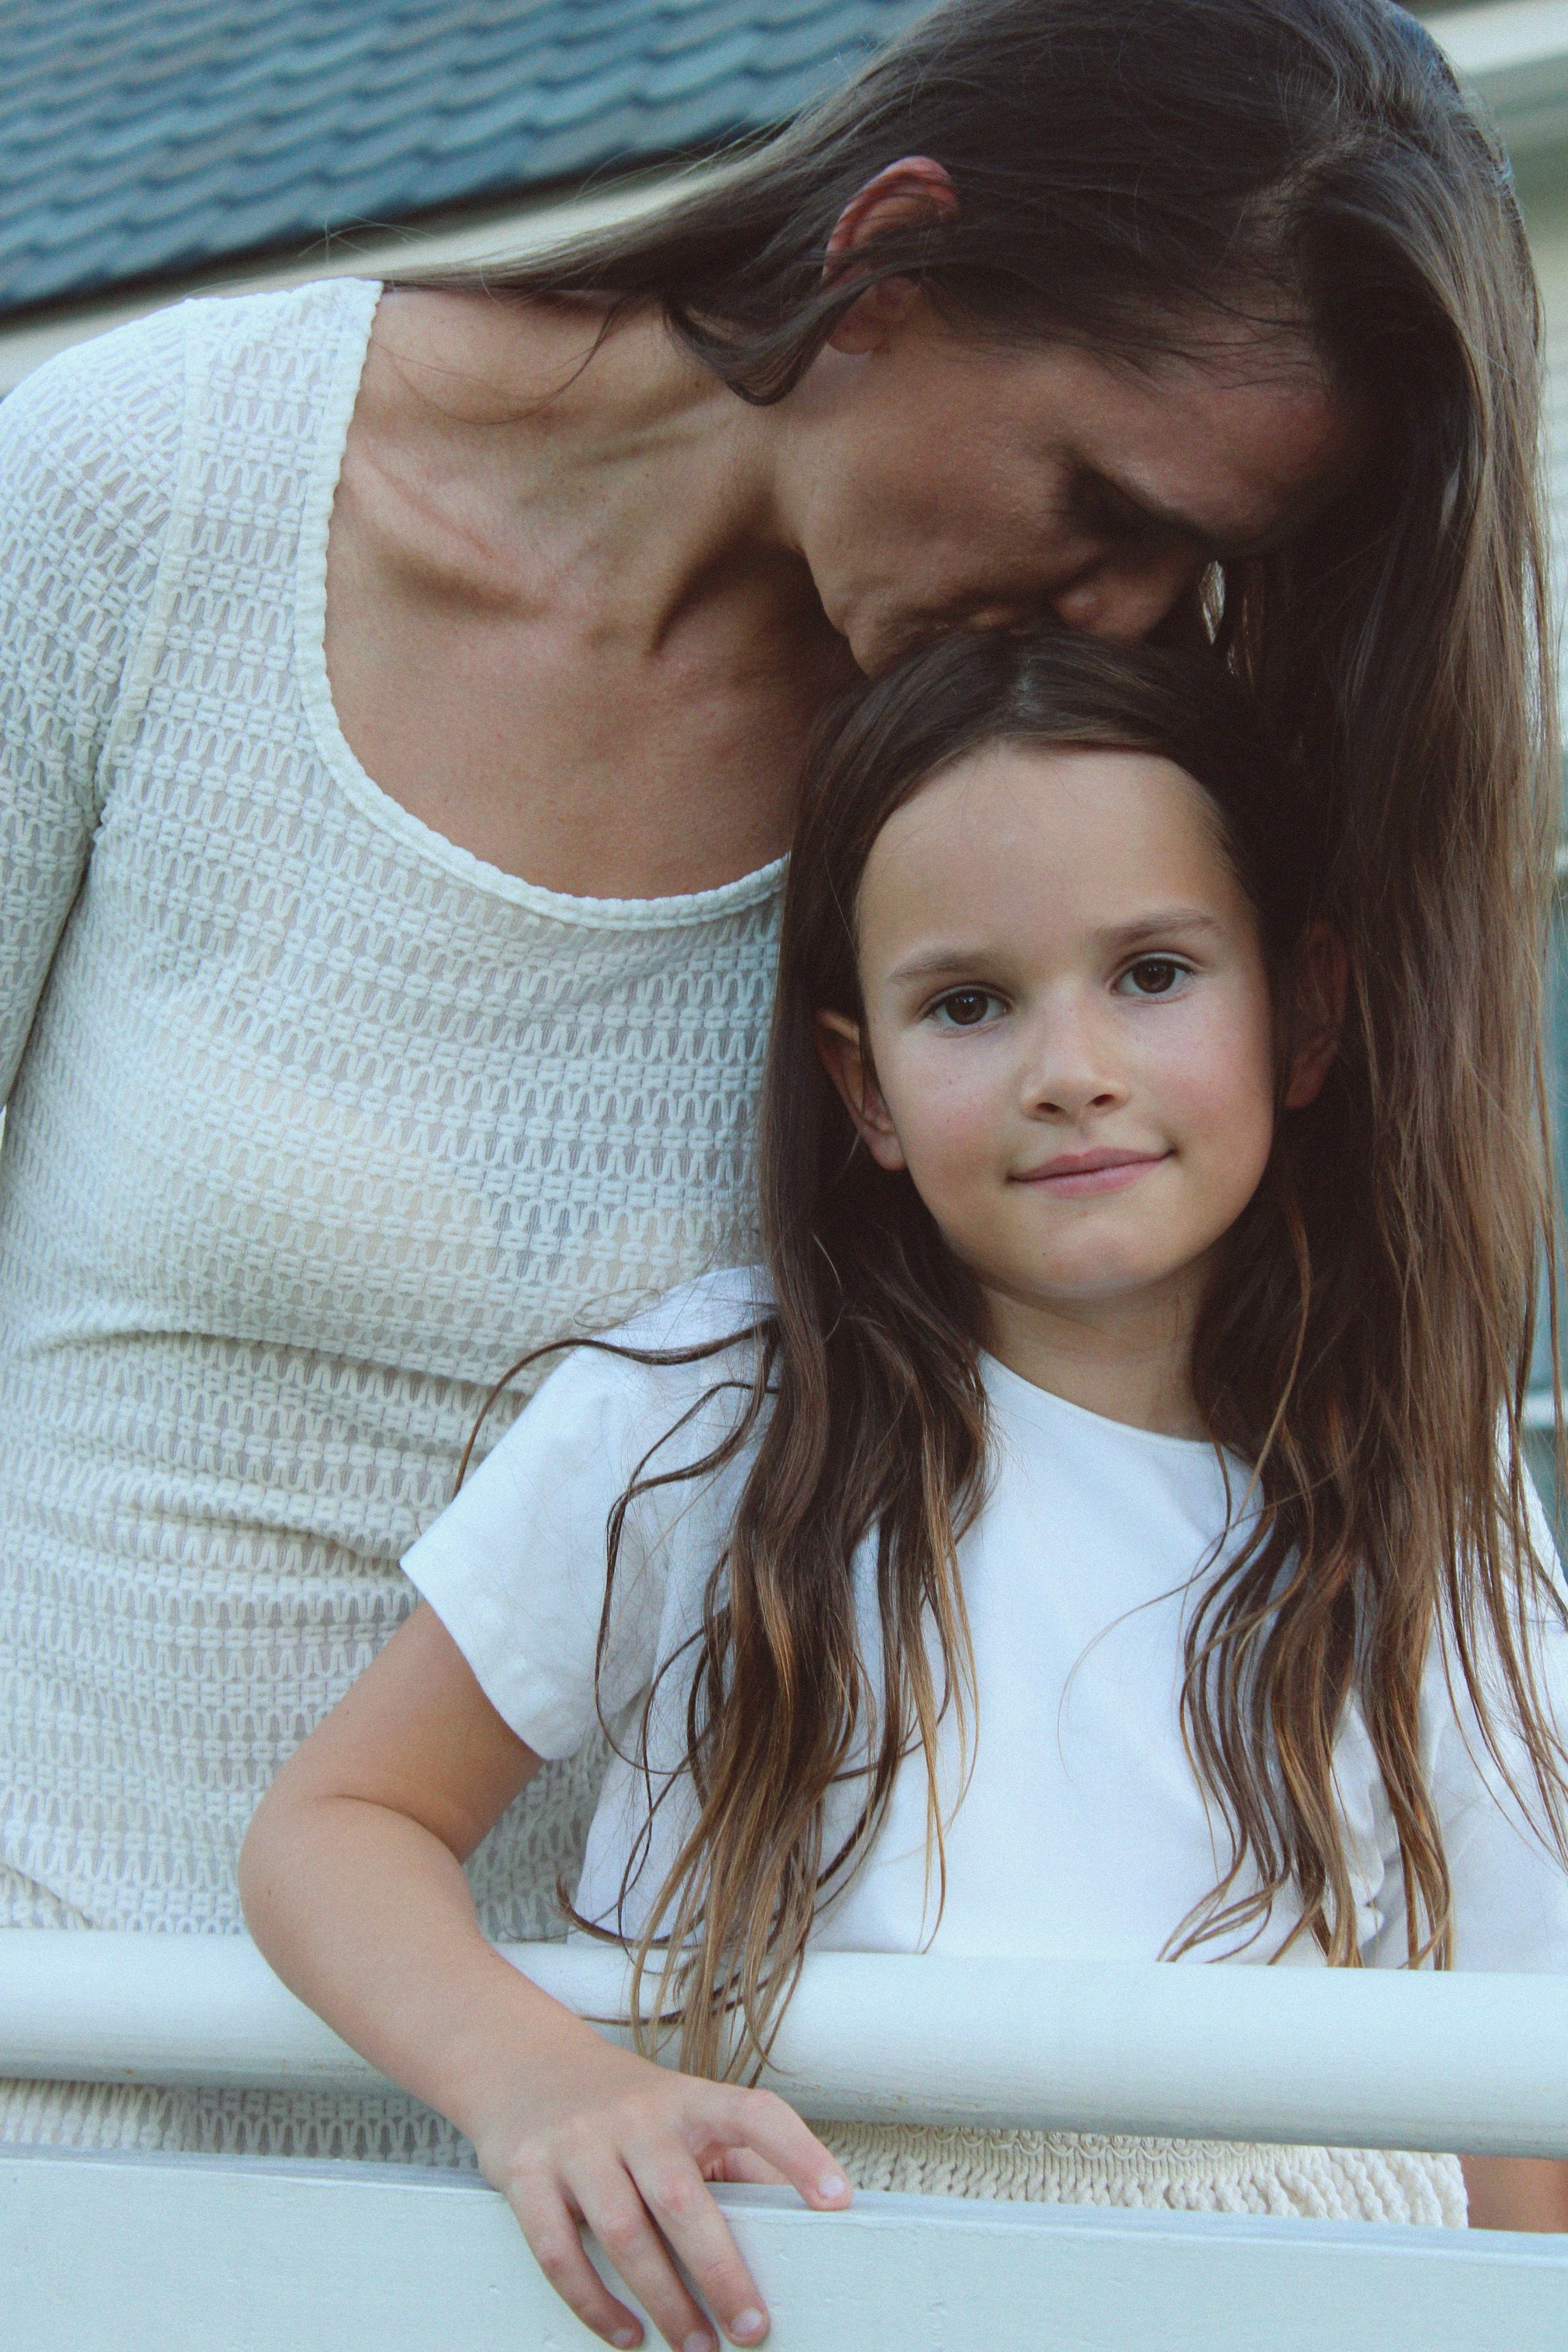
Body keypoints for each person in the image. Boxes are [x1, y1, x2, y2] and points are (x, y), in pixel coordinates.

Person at [0, 0, 1555, 2163]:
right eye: (1101, 499)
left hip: (678, 2231)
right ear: (883, 263)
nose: (1122, 609)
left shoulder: (1033, 823)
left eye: (1196, 568)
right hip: (78, 2143)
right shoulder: (141, 506)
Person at [241, 631, 1568, 2352]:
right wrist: (537, 2082)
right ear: (862, 1084)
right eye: (968, 1004)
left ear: (1305, 1013)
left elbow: (1516, 2054)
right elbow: (338, 1827)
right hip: (810, 2278)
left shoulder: (1420, 1483)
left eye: (1154, 973)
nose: (1069, 1064)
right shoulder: (720, 1416)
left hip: (1301, 2289)